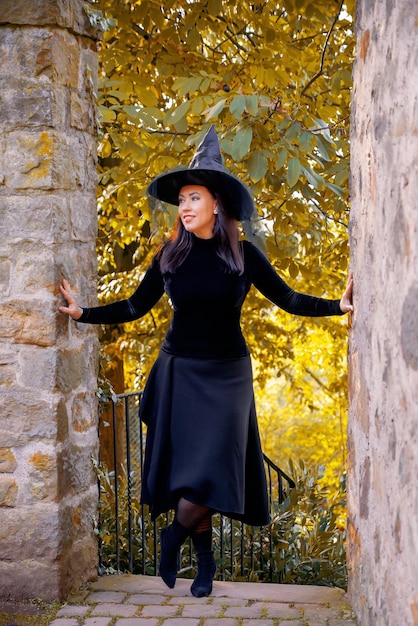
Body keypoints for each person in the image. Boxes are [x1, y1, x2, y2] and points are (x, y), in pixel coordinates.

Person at [59, 125, 353, 598]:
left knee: (213, 467)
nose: (186, 207)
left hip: (228, 376)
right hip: (179, 372)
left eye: (194, 197)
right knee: (188, 472)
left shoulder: (244, 255)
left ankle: (173, 538)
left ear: (217, 202)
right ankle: (206, 564)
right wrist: (82, 313)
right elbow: (135, 307)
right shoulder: (169, 256)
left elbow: (290, 298)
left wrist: (337, 306)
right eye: (181, 200)